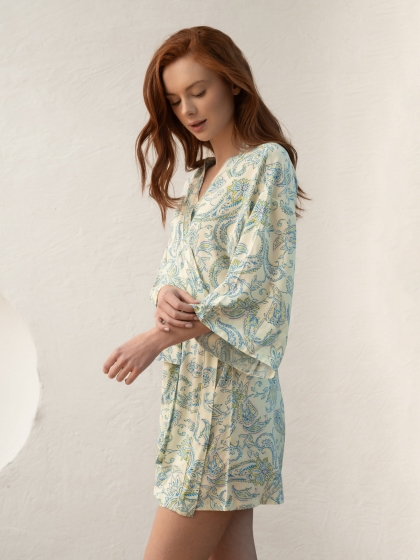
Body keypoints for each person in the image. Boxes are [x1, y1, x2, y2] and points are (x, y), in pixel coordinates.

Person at [103, 25, 310, 560]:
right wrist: (163, 293)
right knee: (231, 551)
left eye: (198, 91)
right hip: (195, 392)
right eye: (175, 100)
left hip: (231, 399)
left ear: (233, 83)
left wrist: (155, 339)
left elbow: (255, 285)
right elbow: (177, 272)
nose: (188, 110)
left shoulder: (267, 164)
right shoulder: (201, 178)